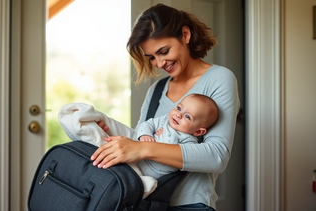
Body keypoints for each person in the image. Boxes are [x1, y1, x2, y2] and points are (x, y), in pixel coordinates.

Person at [91, 3, 240, 211]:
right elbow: (140, 140)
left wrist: (142, 148)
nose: (159, 63)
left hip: (190, 204)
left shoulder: (219, 79)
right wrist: (110, 134)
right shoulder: (156, 90)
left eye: (163, 51)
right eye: (151, 57)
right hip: (147, 203)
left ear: (185, 35)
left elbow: (216, 157)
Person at [58, 93, 218, 199]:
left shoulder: (189, 142)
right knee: (111, 132)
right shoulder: (163, 120)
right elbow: (146, 125)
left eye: (187, 116)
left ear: (198, 131)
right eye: (178, 108)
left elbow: (183, 160)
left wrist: (149, 149)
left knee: (141, 181)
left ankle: (136, 183)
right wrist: (145, 135)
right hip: (136, 148)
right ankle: (80, 119)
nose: (178, 114)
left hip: (148, 172)